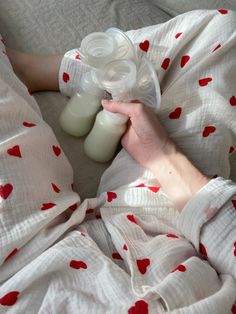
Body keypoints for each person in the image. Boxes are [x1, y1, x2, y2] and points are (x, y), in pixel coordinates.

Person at [0, 8, 235, 314]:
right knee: (222, 33)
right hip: (163, 250)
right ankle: (67, 75)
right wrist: (164, 157)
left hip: (20, 264)